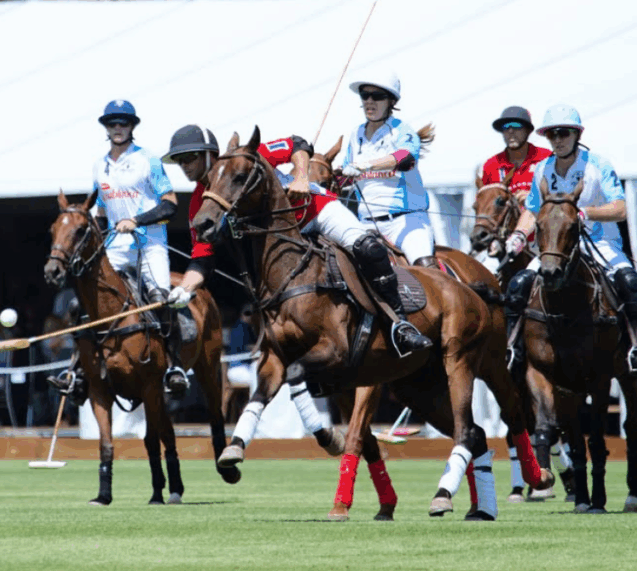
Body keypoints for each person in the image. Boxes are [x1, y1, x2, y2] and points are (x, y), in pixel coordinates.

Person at [162, 125, 431, 357]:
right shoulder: (200, 201)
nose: (184, 166)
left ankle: (401, 324)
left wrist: (301, 176)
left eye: (189, 158)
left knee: (367, 247)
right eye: (179, 161)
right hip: (285, 243)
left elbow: (298, 144)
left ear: (210, 154)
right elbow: (202, 256)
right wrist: (184, 289)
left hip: (317, 210)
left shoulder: (252, 157)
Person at [502, 104, 637, 378]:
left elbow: (620, 208)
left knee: (631, 283)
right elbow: (533, 209)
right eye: (552, 135)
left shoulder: (598, 165)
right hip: (556, 247)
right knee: (517, 286)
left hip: (600, 242)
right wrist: (519, 235)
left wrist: (585, 213)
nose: (558, 140)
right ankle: (514, 348)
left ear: (576, 135)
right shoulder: (542, 169)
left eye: (564, 133)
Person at [56, 99, 191, 398]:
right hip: (115, 246)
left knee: (159, 298)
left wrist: (137, 220)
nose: (118, 128)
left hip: (150, 242)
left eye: (124, 123)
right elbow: (101, 212)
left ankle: (174, 365)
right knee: (86, 303)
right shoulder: (99, 166)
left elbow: (170, 204)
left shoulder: (149, 160)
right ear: (106, 128)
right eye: (112, 123)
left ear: (132, 127)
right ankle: (76, 371)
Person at [339, 72, 438, 269]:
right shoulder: (355, 134)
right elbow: (347, 177)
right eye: (365, 95)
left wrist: (368, 164)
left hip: (406, 222)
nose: (369, 101)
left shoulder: (402, 130)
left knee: (425, 266)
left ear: (391, 101)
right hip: (365, 224)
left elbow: (406, 158)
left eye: (377, 96)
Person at [479, 106, 552, 201]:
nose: (510, 131)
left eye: (516, 125)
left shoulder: (547, 158)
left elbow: (561, 194)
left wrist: (534, 198)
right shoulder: (491, 165)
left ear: (528, 131)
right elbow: (485, 205)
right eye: (505, 127)